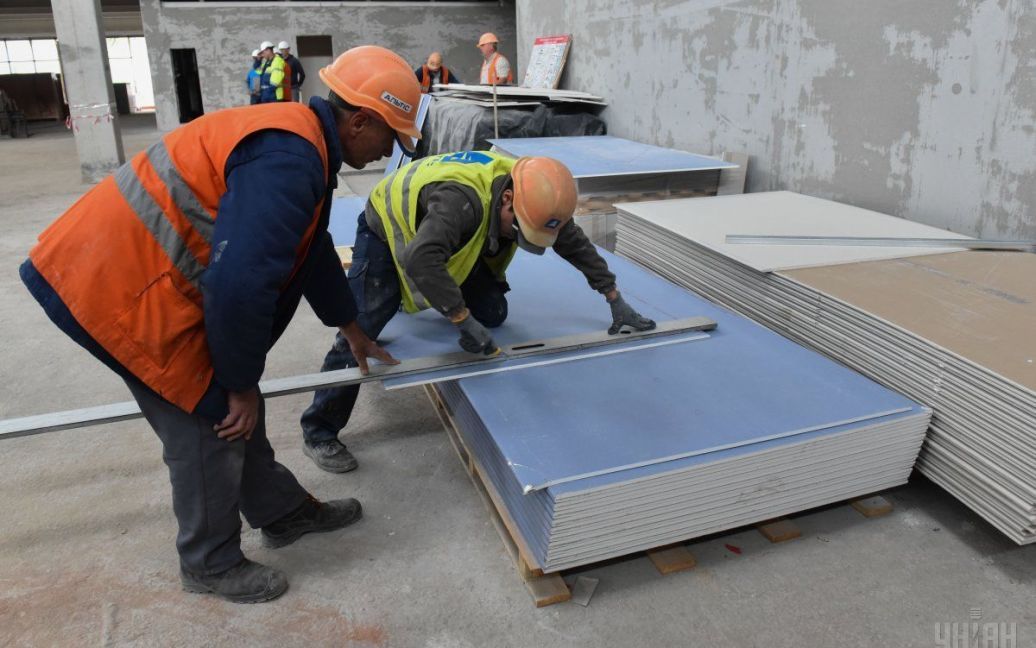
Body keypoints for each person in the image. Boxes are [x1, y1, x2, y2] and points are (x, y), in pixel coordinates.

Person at [19, 45, 422, 604]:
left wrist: (350, 325)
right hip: (116, 283)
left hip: (140, 269)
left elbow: (310, 248)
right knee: (212, 417)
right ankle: (209, 562)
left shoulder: (305, 140)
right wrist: (237, 385)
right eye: (390, 138)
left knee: (235, 405)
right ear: (359, 121)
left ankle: (280, 512)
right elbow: (241, 284)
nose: (388, 151)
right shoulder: (290, 159)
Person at [298, 151, 655, 473]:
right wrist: (460, 318)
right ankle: (319, 431)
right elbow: (419, 258)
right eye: (518, 231)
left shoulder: (537, 196)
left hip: (447, 229)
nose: (518, 239)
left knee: (492, 313)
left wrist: (613, 296)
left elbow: (573, 243)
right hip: (386, 225)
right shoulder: (460, 203)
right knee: (363, 327)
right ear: (507, 199)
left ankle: (439, 296)